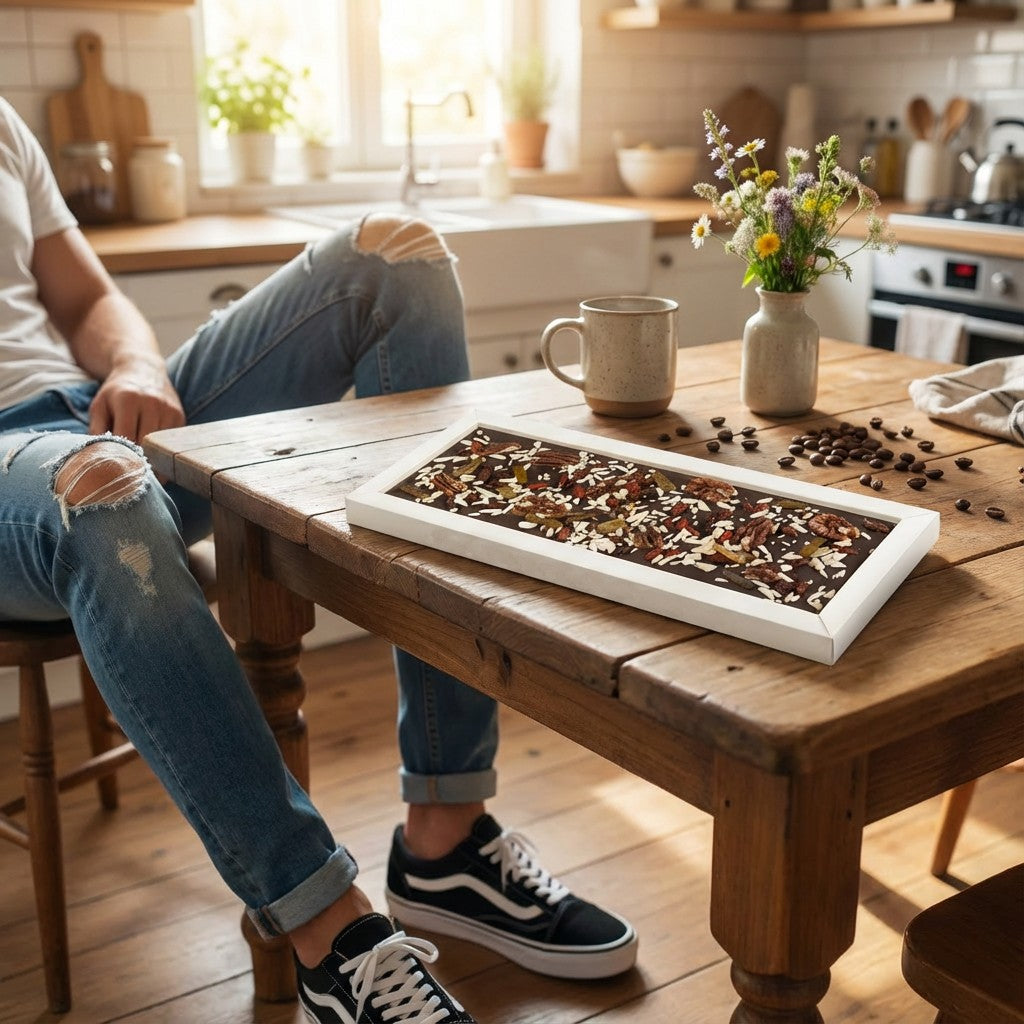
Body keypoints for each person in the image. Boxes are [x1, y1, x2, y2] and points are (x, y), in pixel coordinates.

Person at [0, 96, 637, 1023]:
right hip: (32, 479)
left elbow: (88, 299)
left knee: (396, 259)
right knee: (102, 488)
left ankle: (447, 836)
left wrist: (134, 364)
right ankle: (332, 937)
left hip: (89, 408)